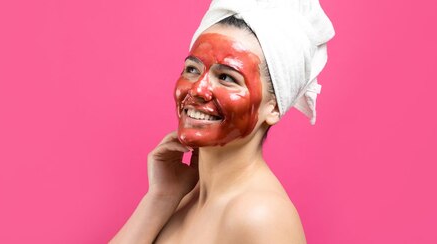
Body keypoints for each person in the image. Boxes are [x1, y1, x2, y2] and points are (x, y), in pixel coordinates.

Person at [111, 0, 334, 243]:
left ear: (274, 107)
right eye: (192, 69)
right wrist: (160, 197)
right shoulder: (184, 198)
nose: (198, 89)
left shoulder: (261, 216)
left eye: (227, 77)